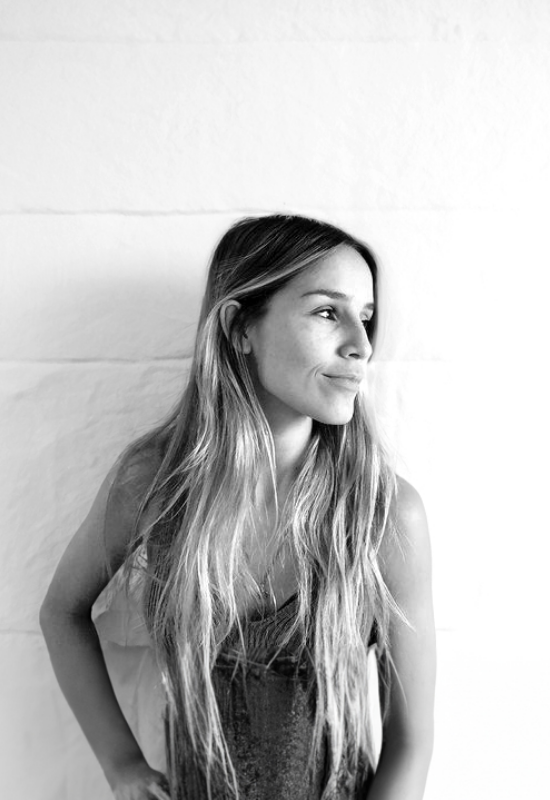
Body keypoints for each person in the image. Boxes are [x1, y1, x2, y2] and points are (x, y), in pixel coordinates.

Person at [40, 214, 436, 800]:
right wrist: (122, 765)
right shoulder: (153, 486)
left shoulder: (382, 515)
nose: (361, 344)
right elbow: (61, 614)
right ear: (239, 327)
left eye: (366, 317)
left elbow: (412, 744)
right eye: (328, 312)